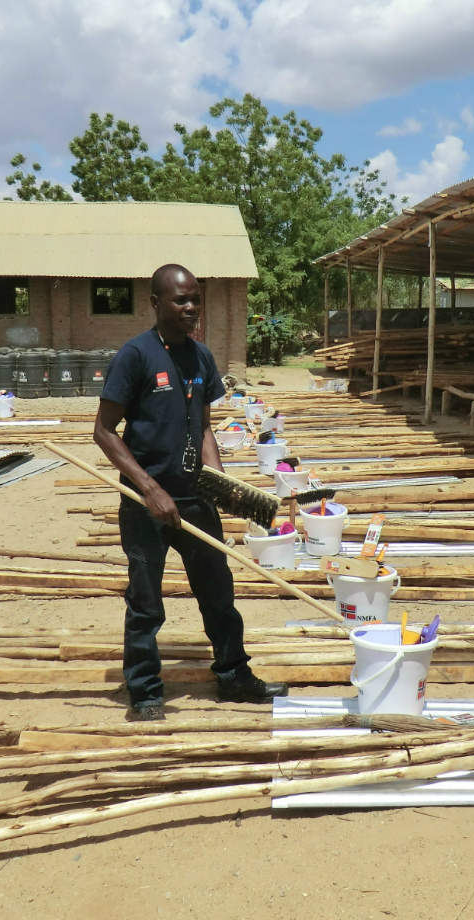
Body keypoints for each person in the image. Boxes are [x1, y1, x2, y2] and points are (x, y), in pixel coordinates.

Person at [93, 263, 288, 722]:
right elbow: (103, 431)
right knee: (146, 600)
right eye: (180, 300)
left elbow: (202, 426)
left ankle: (234, 676)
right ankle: (143, 691)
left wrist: (220, 483)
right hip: (147, 504)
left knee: (218, 590)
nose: (191, 307)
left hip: (195, 496)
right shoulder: (135, 356)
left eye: (196, 299)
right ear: (156, 303)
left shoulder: (201, 357)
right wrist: (149, 489)